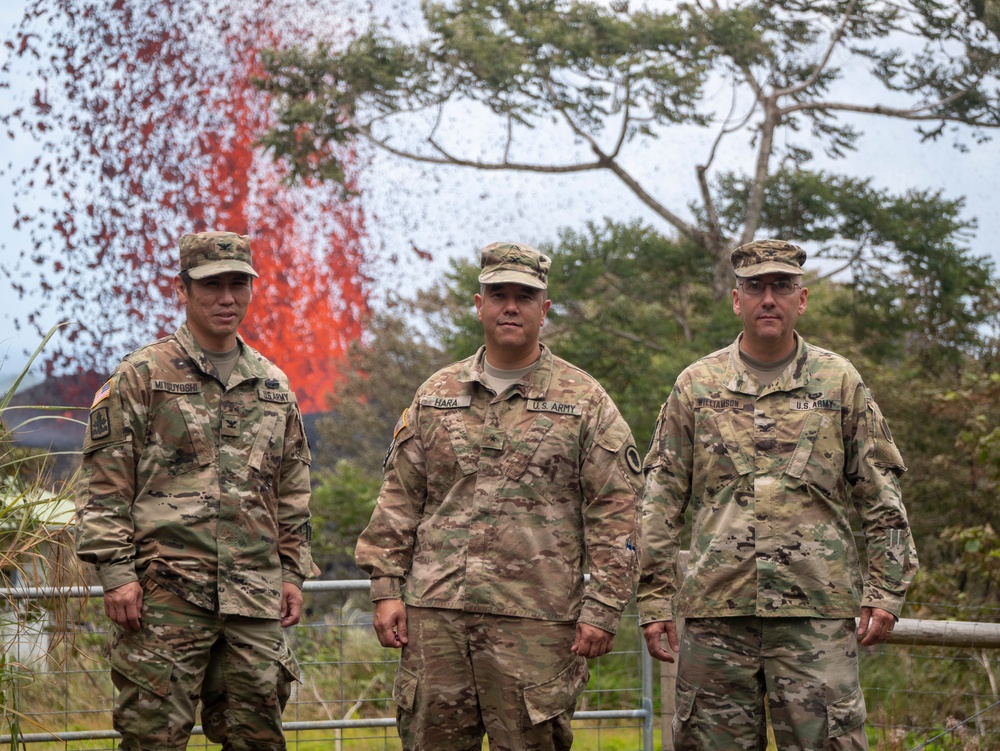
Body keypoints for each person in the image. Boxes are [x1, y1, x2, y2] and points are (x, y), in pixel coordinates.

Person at [355, 241, 643, 751]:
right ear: (479, 303)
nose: (511, 306)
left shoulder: (585, 401)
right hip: (435, 619)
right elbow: (400, 496)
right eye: (499, 294)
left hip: (535, 624)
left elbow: (617, 511)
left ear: (544, 309)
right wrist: (385, 587)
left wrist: (602, 607)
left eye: (524, 296)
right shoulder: (437, 394)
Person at [638, 239, 919, 750]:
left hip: (815, 614)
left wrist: (886, 589)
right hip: (717, 613)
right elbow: (660, 499)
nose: (769, 298)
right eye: (755, 287)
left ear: (802, 298)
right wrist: (654, 598)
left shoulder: (839, 381)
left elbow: (880, 493)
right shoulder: (696, 386)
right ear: (736, 300)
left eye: (782, 286)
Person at [75, 231, 317, 751]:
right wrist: (116, 575)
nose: (226, 298)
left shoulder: (272, 386)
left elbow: (292, 488)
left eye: (237, 284)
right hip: (165, 594)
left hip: (254, 598)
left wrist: (293, 571)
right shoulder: (142, 377)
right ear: (181, 289)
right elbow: (103, 486)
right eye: (211, 286)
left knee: (258, 739)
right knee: (153, 739)